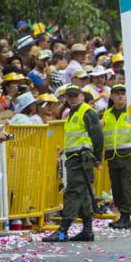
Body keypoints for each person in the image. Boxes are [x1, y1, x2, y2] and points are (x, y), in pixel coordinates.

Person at [43, 85, 104, 242]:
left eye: (75, 95)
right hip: (74, 159)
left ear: (82, 96)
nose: (72, 98)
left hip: (81, 160)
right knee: (83, 196)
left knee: (72, 193)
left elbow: (97, 137)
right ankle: (88, 230)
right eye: (69, 96)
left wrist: (97, 158)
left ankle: (62, 231)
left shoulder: (87, 112)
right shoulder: (72, 113)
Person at [103, 84, 131, 229]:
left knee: (128, 186)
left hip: (128, 156)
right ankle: (122, 216)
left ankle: (126, 217)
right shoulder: (107, 113)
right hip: (112, 157)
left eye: (123, 93)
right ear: (112, 96)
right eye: (117, 93)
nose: (120, 96)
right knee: (117, 187)